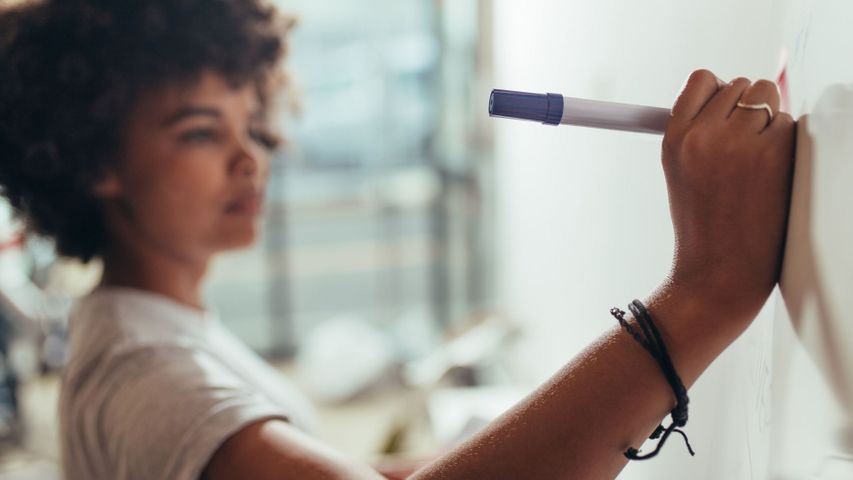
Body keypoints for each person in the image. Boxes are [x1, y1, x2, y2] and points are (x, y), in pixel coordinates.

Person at [0, 0, 796, 479]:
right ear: (95, 158)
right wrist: (704, 290)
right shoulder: (148, 376)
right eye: (200, 132)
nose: (252, 156)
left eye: (252, 123)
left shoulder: (152, 329)